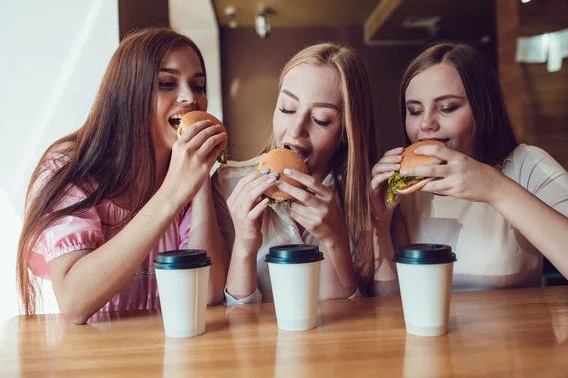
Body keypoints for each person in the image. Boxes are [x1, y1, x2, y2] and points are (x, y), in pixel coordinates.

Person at [16, 27, 229, 323]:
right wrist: (174, 191)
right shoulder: (68, 167)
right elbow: (75, 302)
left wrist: (200, 177)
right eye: (166, 83)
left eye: (198, 86)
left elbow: (207, 292)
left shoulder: (187, 174)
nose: (189, 98)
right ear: (127, 93)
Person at [370, 43, 568, 299]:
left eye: (447, 108)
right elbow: (391, 305)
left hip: (518, 337)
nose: (425, 124)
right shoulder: (405, 188)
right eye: (414, 111)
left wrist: (495, 188)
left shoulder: (526, 165)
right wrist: (379, 226)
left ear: (483, 110)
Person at [216, 43, 379, 303]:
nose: (295, 130)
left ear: (347, 132)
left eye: (321, 119)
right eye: (287, 109)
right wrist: (245, 245)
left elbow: (346, 321)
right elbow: (237, 319)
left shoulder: (366, 196)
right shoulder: (227, 184)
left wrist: (334, 239)